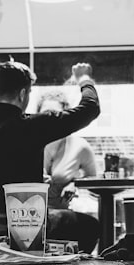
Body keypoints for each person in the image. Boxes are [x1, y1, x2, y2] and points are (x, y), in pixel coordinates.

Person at [0, 63, 101, 252]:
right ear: (23, 94)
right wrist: (84, 78)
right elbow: (90, 108)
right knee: (90, 226)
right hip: (28, 226)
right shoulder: (34, 126)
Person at [38, 90, 101, 251]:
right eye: (45, 113)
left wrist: (75, 184)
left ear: (65, 116)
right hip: (31, 215)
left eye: (55, 114)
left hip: (61, 215)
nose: (49, 119)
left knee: (90, 227)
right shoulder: (31, 141)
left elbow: (94, 179)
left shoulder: (80, 146)